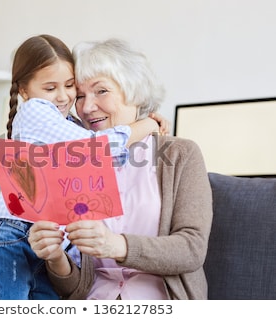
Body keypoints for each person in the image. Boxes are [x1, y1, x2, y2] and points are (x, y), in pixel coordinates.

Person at [0, 34, 170, 300]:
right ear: (24, 90)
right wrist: (146, 125)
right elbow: (96, 148)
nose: (63, 96)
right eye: (50, 88)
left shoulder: (67, 123)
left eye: (70, 86)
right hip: (14, 235)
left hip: (47, 242)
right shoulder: (35, 111)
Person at [28, 38, 213, 300]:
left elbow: (192, 249)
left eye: (101, 91)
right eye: (79, 96)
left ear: (134, 91)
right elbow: (74, 289)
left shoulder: (179, 154)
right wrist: (55, 256)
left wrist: (117, 245)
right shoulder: (75, 161)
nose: (87, 107)